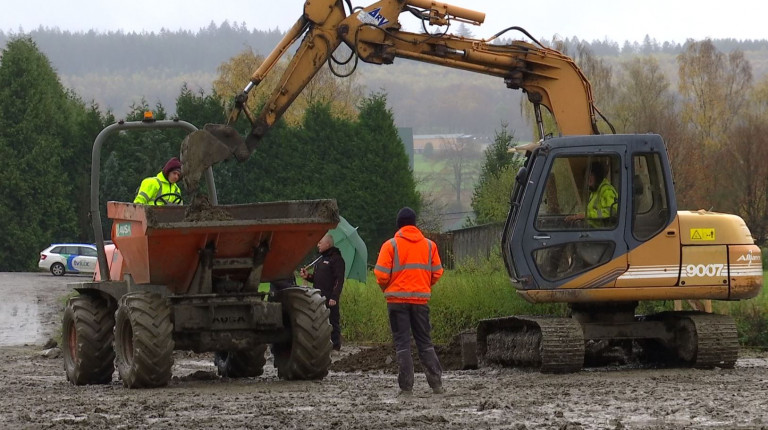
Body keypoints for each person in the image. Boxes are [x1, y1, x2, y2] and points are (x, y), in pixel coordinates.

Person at [374, 207, 445, 396]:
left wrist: (388, 288)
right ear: (415, 223)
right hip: (420, 302)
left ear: (398, 225)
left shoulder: (390, 245)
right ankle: (436, 384)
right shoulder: (430, 245)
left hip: (397, 302)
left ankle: (406, 388)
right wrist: (423, 285)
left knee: (402, 344)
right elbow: (437, 272)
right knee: (425, 342)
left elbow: (381, 274)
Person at [300, 234, 345, 351]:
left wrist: (334, 297)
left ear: (327, 244)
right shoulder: (320, 260)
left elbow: (339, 280)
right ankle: (320, 347)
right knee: (317, 323)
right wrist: (308, 276)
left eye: (320, 243)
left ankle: (335, 347)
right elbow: (317, 278)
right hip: (318, 297)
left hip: (330, 297)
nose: (317, 245)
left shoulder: (337, 260)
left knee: (333, 322)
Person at [566, 161, 618, 228]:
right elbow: (591, 211)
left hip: (602, 231)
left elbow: (612, 211)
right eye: (586, 176)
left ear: (598, 176)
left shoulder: (606, 190)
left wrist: (587, 215)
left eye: (591, 175)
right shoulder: (595, 192)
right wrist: (576, 216)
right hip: (592, 228)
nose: (588, 178)